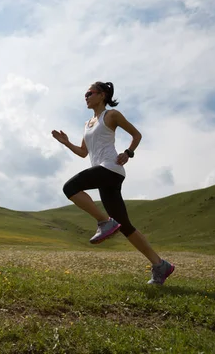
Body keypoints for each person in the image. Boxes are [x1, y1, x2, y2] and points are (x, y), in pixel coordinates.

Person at [51, 81, 175, 285]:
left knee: (70, 187)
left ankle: (104, 222)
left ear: (102, 95)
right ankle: (160, 265)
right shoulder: (87, 123)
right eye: (85, 94)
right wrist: (66, 143)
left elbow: (137, 134)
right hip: (103, 173)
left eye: (89, 93)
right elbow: (83, 153)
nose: (86, 96)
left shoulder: (111, 115)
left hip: (111, 168)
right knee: (125, 226)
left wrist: (128, 153)